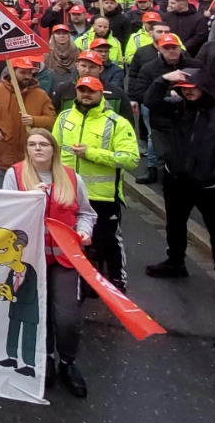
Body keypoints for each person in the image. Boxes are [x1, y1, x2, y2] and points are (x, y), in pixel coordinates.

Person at [143, 69, 215, 304]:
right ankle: (175, 262)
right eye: (183, 88)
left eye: (191, 87)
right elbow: (151, 101)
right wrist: (163, 78)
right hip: (177, 181)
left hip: (210, 186)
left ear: (204, 87)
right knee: (174, 225)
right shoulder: (177, 108)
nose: (187, 92)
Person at [2, 127, 95, 398]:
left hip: (65, 259)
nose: (38, 148)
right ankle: (47, 359)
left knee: (67, 317)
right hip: (31, 260)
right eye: (32, 144)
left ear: (54, 149)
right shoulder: (15, 174)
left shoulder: (70, 177)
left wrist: (85, 231)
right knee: (38, 316)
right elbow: (5, 214)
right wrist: (29, 199)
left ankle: (69, 362)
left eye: (43, 144)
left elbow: (86, 214)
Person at [55, 75, 138, 289]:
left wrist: (92, 153)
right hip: (69, 193)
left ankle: (117, 282)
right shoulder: (64, 118)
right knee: (73, 240)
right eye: (82, 90)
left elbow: (130, 159)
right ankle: (83, 281)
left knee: (108, 241)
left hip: (102, 195)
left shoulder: (117, 123)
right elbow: (53, 152)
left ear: (101, 93)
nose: (85, 94)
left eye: (91, 90)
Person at [129, 32, 200, 185]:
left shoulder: (194, 65)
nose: (171, 51)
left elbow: (206, 87)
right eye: (166, 48)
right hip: (161, 121)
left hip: (189, 120)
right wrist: (167, 92)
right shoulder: (149, 68)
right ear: (160, 50)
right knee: (165, 156)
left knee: (189, 155)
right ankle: (167, 187)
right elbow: (142, 94)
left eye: (174, 47)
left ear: (179, 48)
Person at [0, 58, 55, 175]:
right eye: (22, 72)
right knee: (1, 192)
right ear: (11, 72)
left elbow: (51, 119)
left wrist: (34, 120)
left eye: (29, 73)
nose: (27, 76)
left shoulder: (40, 95)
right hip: (3, 154)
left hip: (29, 157)